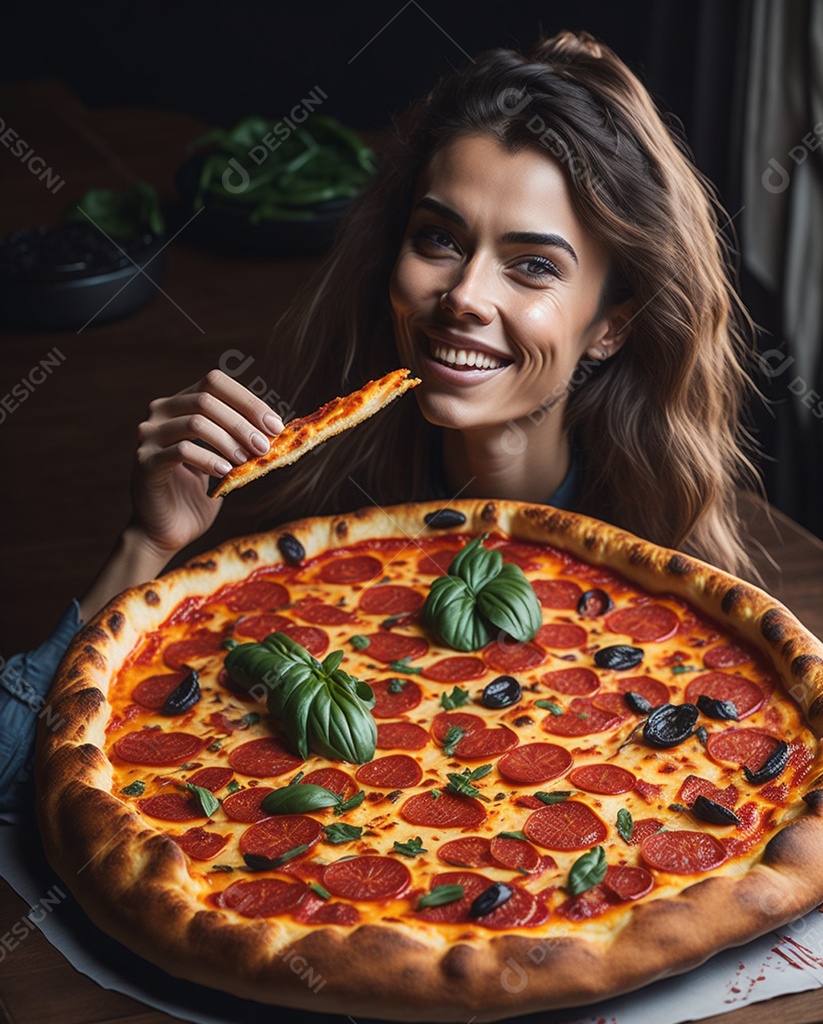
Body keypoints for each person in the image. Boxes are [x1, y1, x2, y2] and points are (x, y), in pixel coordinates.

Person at [0, 29, 761, 813]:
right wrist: (148, 543)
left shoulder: (663, 593)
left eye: (532, 264)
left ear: (612, 324)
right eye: (439, 238)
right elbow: (9, 776)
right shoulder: (299, 548)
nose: (464, 294)